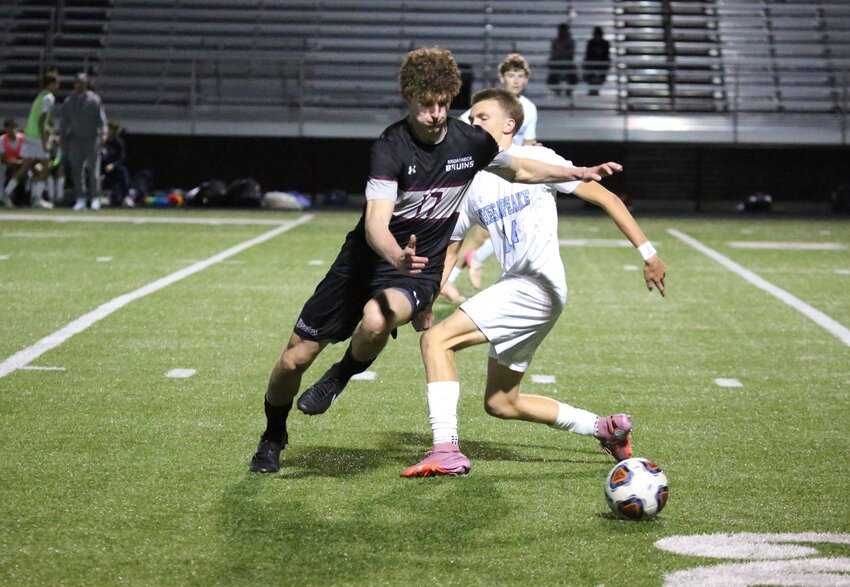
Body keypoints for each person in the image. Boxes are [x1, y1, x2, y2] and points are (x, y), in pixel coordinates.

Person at [248, 46, 623, 474]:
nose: (436, 113)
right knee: (293, 359)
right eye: (427, 104)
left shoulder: (469, 142)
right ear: (410, 98)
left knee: (377, 319)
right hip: (367, 259)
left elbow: (520, 168)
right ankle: (273, 434)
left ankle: (340, 376)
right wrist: (395, 255)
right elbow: (374, 226)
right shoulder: (390, 148)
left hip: (416, 267)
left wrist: (577, 173)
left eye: (443, 103)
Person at [400, 88, 667, 477]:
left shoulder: (539, 159)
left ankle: (446, 451)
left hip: (536, 287)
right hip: (525, 290)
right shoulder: (471, 181)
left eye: (482, 119)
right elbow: (452, 251)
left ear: (510, 124)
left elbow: (607, 198)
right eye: (471, 120)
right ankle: (606, 428)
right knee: (501, 403)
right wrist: (425, 299)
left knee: (437, 341)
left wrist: (650, 255)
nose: (473, 125)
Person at [442, 53, 540, 302]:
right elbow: (464, 126)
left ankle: (456, 273)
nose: (516, 81)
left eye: (520, 76)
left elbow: (528, 145)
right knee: (481, 230)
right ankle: (455, 274)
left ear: (526, 80)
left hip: (510, 177)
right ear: (502, 77)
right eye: (511, 75)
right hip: (483, 173)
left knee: (488, 232)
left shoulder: (529, 109)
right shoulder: (490, 103)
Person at [2, 70, 60, 209]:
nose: (58, 86)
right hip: (37, 137)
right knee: (46, 167)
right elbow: (41, 122)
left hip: (28, 134)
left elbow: (43, 121)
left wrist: (53, 134)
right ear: (51, 84)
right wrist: (45, 141)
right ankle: (36, 199)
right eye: (57, 83)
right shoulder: (49, 98)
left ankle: (6, 193)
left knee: (25, 166)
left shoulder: (40, 96)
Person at [60, 72, 108, 211]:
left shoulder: (94, 100)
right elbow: (64, 122)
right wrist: (62, 138)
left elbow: (102, 119)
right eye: (77, 82)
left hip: (91, 139)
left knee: (93, 171)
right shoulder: (69, 101)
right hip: (75, 139)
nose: (79, 85)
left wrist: (104, 133)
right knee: (77, 170)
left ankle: (95, 198)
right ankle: (80, 198)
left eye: (82, 82)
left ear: (86, 83)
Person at [102, 121, 134, 207]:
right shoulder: (101, 142)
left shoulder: (118, 143)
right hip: (101, 165)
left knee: (123, 172)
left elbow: (122, 158)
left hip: (115, 166)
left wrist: (113, 165)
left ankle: (126, 196)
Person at [547, 23, 578, 97]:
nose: (562, 33)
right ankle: (557, 91)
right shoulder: (555, 41)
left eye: (564, 31)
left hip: (567, 64)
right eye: (561, 31)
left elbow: (570, 54)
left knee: (574, 77)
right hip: (557, 63)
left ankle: (569, 91)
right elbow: (554, 53)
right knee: (551, 78)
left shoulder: (571, 41)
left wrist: (561, 52)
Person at [0, 118, 24, 205]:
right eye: (9, 128)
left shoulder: (23, 139)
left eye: (13, 128)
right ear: (5, 129)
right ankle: (1, 196)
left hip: (20, 164)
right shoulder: (1, 140)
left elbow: (27, 158)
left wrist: (17, 162)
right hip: (6, 163)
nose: (11, 130)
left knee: (25, 169)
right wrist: (10, 162)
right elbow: (2, 158)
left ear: (17, 128)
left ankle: (7, 193)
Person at [584, 26, 612, 96]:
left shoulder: (605, 43)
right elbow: (588, 55)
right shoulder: (590, 43)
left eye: (598, 35)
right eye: (596, 35)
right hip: (592, 64)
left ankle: (596, 84)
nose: (597, 37)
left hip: (601, 64)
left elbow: (606, 55)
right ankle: (593, 85)